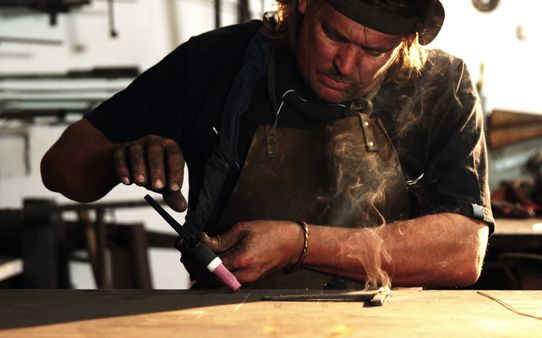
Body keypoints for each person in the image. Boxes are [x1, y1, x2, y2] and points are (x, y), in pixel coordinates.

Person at [41, 0, 494, 289]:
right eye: (333, 34)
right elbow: (61, 166)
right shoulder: (215, 62)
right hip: (229, 323)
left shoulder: (441, 85)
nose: (346, 63)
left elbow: (462, 253)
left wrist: (300, 244)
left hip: (384, 323)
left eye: (376, 51)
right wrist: (116, 158)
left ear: (407, 41)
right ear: (301, 3)